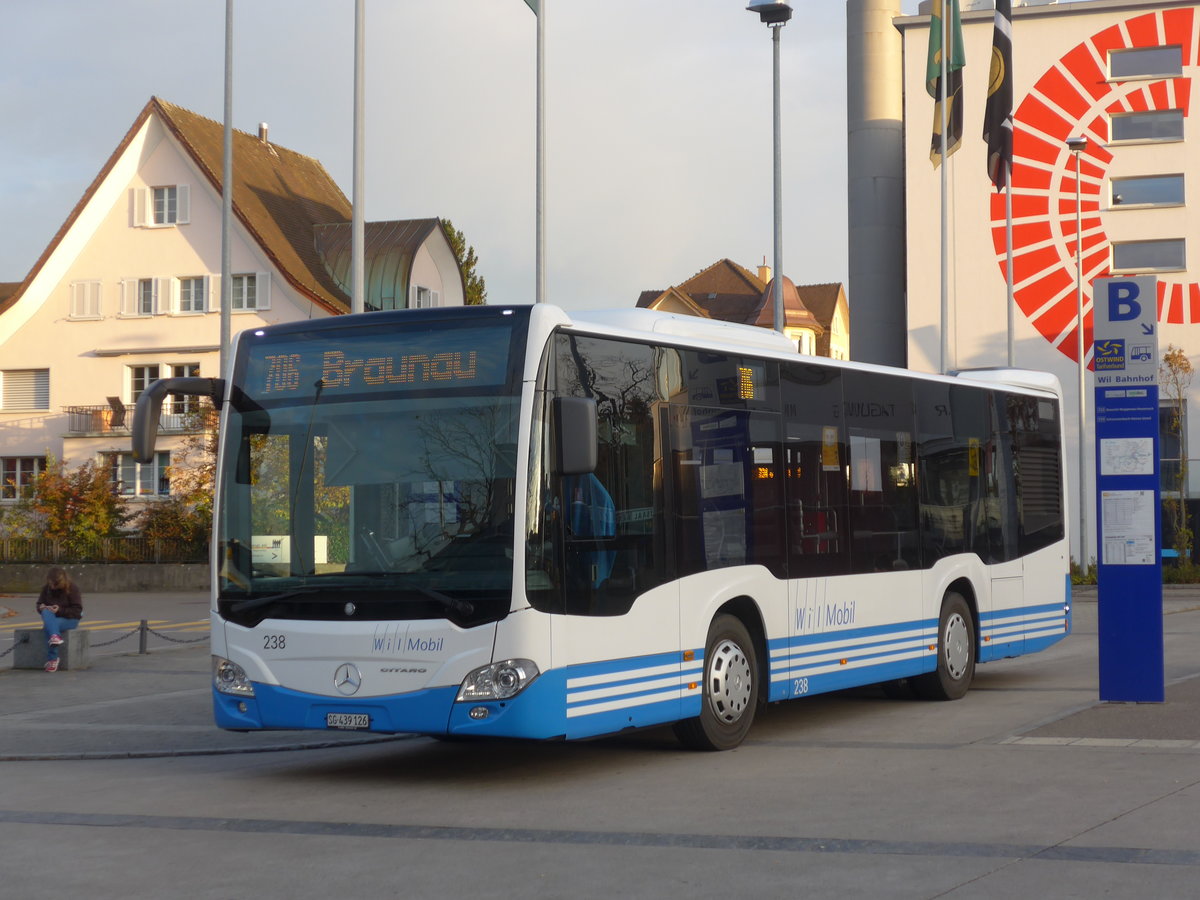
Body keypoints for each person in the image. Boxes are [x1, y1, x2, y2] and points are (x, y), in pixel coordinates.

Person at [36, 567, 83, 673]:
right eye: (50, 584)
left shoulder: (72, 588)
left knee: (49, 626)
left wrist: (59, 610)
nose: (52, 587)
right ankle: (55, 636)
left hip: (69, 619)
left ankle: (52, 659)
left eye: (55, 584)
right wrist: (41, 607)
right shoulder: (46, 588)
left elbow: (77, 611)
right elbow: (39, 603)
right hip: (52, 618)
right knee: (46, 613)